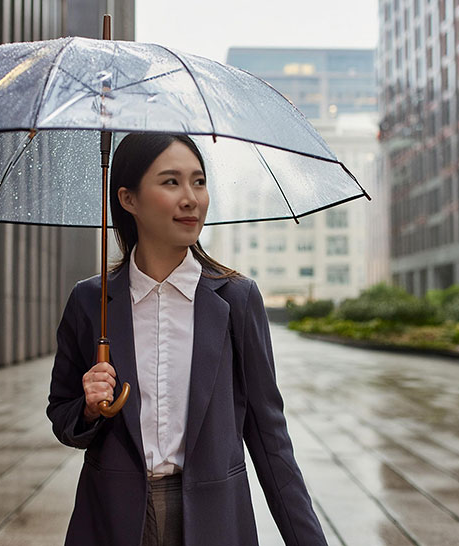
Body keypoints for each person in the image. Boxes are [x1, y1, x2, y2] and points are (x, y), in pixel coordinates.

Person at [46, 133, 328, 546]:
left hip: (214, 520)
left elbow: (270, 438)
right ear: (128, 199)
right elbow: (62, 415)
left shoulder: (235, 299)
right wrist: (88, 409)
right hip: (113, 519)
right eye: (171, 182)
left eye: (198, 181)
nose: (191, 198)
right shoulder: (91, 302)